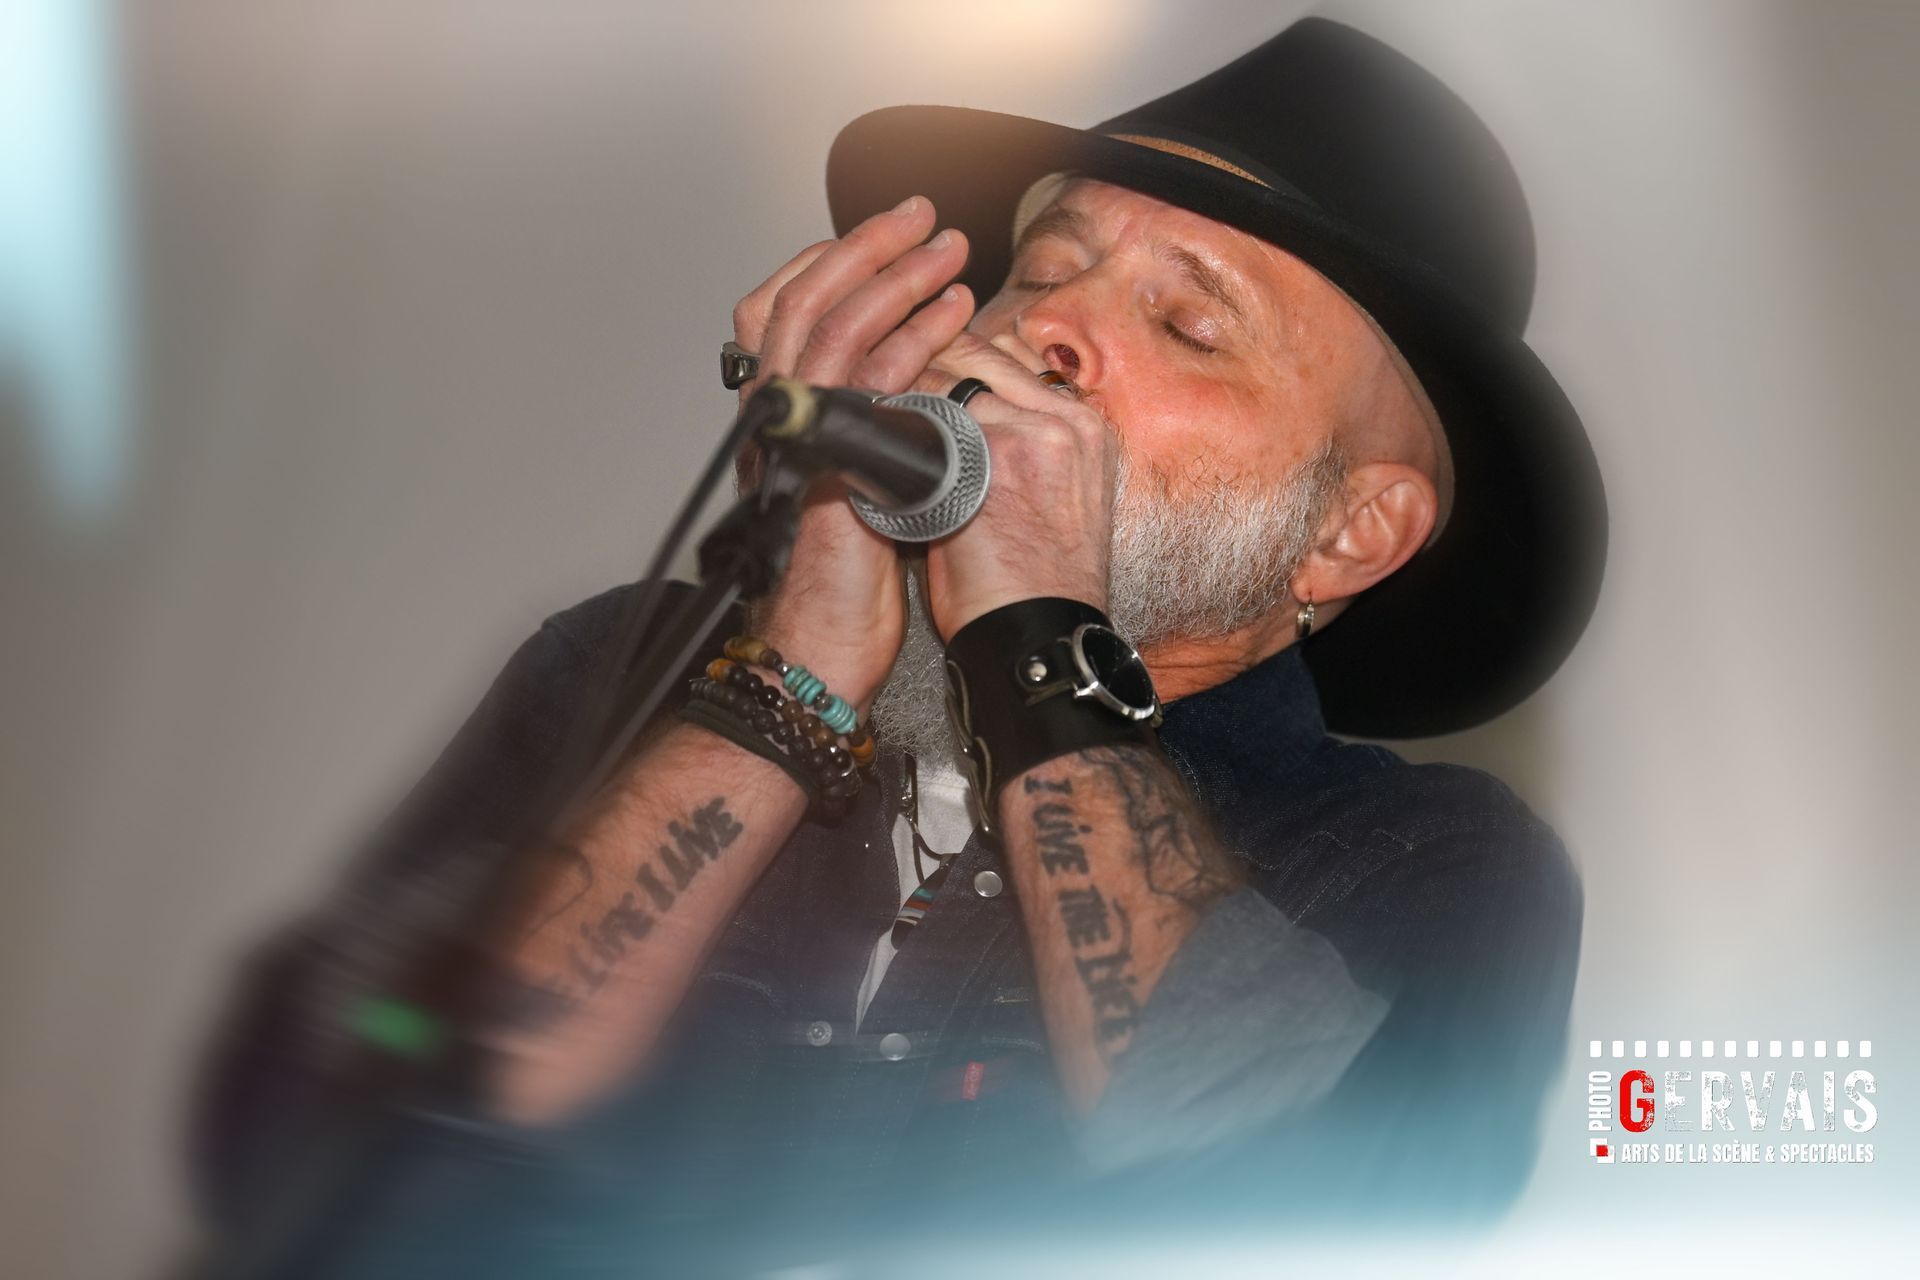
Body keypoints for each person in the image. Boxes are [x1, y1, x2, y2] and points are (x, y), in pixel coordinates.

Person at [192, 19, 1605, 1275]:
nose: (1046, 326)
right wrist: (794, 670)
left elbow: (1326, 1214)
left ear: (1348, 535)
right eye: (1042, 271)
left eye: (1186, 323)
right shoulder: (620, 672)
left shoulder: (1428, 863)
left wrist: (1039, 641)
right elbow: (299, 1139)